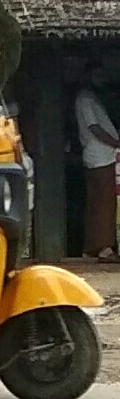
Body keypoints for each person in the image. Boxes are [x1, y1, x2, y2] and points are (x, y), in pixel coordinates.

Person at [75, 62, 120, 263]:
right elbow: (94, 128)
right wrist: (116, 143)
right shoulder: (85, 99)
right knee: (104, 202)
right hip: (101, 156)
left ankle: (92, 246)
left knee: (96, 202)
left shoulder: (90, 98)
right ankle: (104, 247)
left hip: (101, 154)